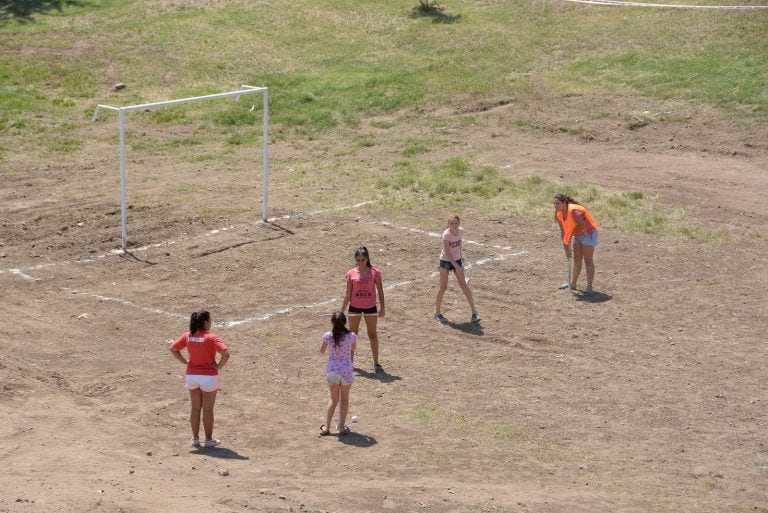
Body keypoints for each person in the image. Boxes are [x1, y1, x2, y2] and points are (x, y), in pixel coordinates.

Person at [170, 310, 230, 448]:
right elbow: (226, 354)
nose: (211, 323)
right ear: (205, 322)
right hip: (209, 377)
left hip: (191, 376)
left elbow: (173, 348)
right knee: (208, 409)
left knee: (195, 408)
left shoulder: (188, 335)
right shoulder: (212, 337)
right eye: (210, 320)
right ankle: (208, 440)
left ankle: (195, 439)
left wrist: (185, 362)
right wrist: (218, 366)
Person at [341, 246, 385, 373]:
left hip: (370, 308)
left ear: (367, 259)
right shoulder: (351, 274)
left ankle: (376, 363)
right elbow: (348, 294)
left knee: (372, 334)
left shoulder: (375, 273)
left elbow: (380, 292)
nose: (361, 263)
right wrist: (342, 310)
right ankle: (350, 362)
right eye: (358, 260)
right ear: (355, 260)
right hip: (354, 308)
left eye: (363, 260)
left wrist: (382, 308)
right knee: (352, 336)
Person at [434, 214, 480, 324]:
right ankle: (437, 313)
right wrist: (457, 266)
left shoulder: (461, 231)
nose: (454, 225)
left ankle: (474, 312)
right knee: (443, 287)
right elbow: (447, 253)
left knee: (464, 285)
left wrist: (461, 255)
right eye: (452, 223)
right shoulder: (446, 235)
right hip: (445, 261)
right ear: (448, 224)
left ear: (459, 223)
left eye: (456, 223)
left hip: (457, 260)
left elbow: (459, 243)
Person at [319, 311, 357, 436]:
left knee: (333, 399)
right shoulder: (351, 336)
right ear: (345, 322)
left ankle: (327, 427)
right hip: (346, 370)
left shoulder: (328, 336)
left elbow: (322, 350)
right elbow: (353, 348)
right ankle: (341, 427)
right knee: (344, 399)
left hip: (332, 370)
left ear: (332, 322)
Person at [553, 194, 599, 295]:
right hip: (578, 234)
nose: (555, 206)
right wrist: (566, 248)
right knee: (577, 259)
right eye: (554, 204)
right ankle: (573, 284)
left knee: (588, 260)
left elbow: (582, 226)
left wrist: (570, 235)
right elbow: (563, 232)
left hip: (588, 233)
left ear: (564, 203)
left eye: (558, 203)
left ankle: (589, 288)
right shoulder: (559, 214)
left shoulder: (573, 211)